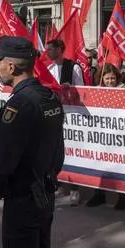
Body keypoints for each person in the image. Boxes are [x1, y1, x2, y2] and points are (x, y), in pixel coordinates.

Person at [0, 36, 64, 248]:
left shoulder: (19, 104)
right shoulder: (49, 97)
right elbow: (59, 151)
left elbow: (4, 154)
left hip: (23, 197)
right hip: (45, 192)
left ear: (11, 66)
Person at [85, 64, 125, 210]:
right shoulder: (98, 90)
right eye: (107, 79)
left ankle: (123, 197)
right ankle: (99, 194)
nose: (110, 81)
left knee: (120, 166)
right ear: (101, 78)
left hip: (119, 135)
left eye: (112, 78)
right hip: (102, 134)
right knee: (100, 164)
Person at [46, 38, 83, 205]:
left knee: (73, 151)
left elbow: (82, 90)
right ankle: (61, 183)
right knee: (57, 150)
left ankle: (75, 188)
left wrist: (71, 89)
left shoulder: (73, 67)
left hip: (71, 115)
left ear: (60, 49)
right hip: (54, 114)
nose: (48, 52)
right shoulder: (49, 68)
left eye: (51, 49)